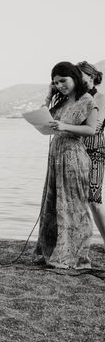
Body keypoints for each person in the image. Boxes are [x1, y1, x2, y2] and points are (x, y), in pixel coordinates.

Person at [34, 61, 98, 269]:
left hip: (73, 157)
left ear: (75, 78)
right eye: (56, 82)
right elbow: (47, 121)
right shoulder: (61, 103)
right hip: (56, 156)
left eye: (63, 80)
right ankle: (54, 251)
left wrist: (64, 126)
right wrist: (48, 97)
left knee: (74, 205)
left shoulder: (87, 100)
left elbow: (91, 130)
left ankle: (78, 257)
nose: (60, 85)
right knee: (53, 204)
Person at [77, 61, 105, 245]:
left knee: (94, 200)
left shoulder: (101, 98)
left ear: (92, 77)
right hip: (74, 150)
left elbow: (95, 127)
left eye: (80, 76)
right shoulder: (74, 98)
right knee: (74, 198)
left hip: (95, 151)